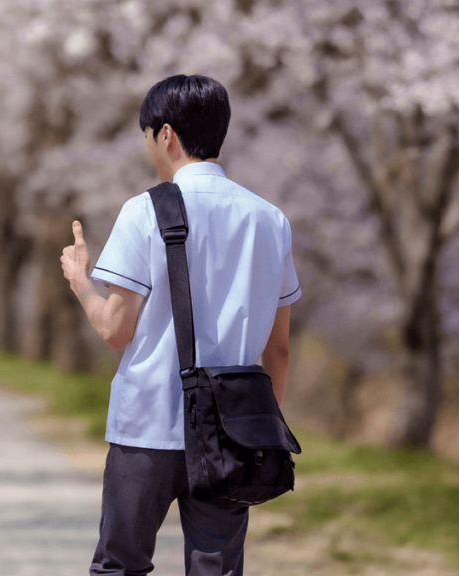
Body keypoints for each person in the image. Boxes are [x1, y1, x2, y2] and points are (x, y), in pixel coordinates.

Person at [60, 75, 301, 576]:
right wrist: (259, 431)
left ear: (165, 134)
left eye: (146, 136)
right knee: (216, 570)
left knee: (120, 566)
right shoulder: (269, 219)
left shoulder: (145, 210)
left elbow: (114, 330)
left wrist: (81, 282)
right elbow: (278, 349)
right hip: (233, 432)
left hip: (148, 423)